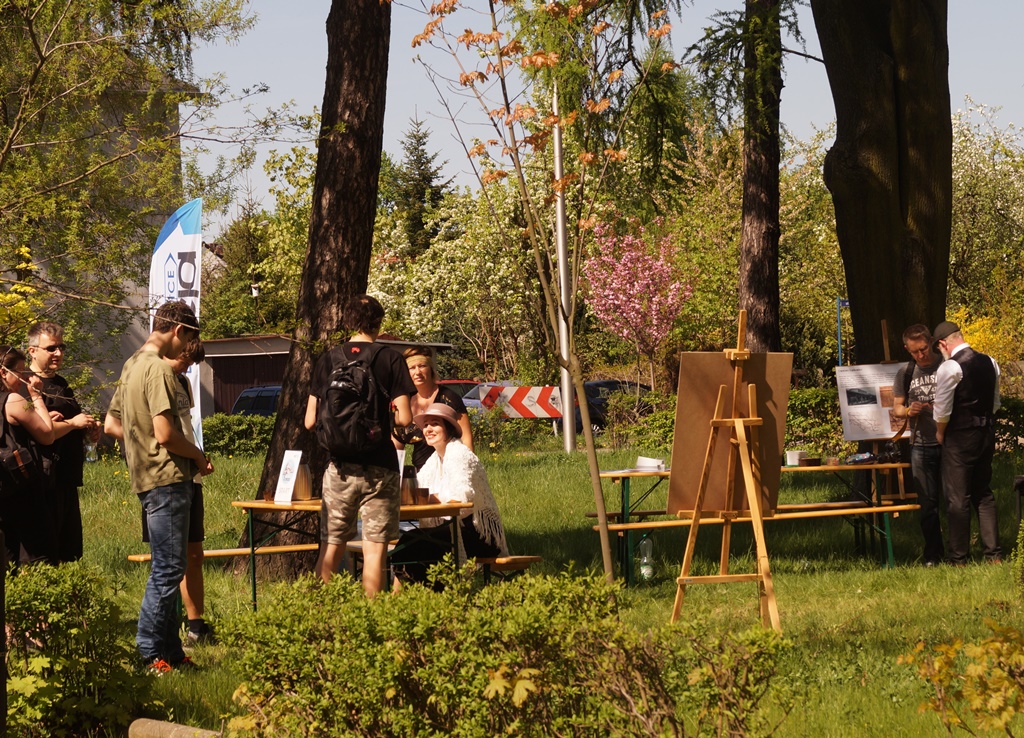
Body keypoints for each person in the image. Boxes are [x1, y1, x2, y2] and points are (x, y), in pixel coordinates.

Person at [103, 301, 213, 673]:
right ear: (178, 330)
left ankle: (172, 653)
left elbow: (116, 424)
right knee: (167, 570)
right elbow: (166, 434)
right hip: (167, 479)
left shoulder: (131, 364)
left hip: (148, 479)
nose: (186, 348)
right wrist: (197, 455)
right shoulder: (159, 369)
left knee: (172, 565)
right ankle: (150, 653)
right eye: (188, 339)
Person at [304, 294, 413, 595]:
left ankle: (321, 613)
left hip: (338, 468)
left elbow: (310, 421)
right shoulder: (390, 358)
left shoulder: (328, 359)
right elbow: (405, 418)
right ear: (378, 322)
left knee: (331, 547)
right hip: (380, 467)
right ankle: (372, 617)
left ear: (348, 321)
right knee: (374, 551)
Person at [394, 402, 507, 584]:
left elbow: (462, 497)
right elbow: (417, 489)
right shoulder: (434, 460)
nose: (428, 429)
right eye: (426, 425)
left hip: (479, 535)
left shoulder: (459, 454)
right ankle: (426, 594)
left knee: (414, 542)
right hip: (454, 529)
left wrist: (428, 498)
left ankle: (404, 595)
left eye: (435, 424)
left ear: (449, 428)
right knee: (413, 542)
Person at [22, 322, 99, 563]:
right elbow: (41, 431)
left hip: (66, 476)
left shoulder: (62, 384)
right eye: (51, 348)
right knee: (46, 552)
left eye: (61, 347)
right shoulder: (27, 386)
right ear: (33, 351)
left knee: (70, 550)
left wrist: (88, 431)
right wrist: (73, 424)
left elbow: (70, 422)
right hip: (43, 479)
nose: (58, 353)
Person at [932, 320, 1001, 565]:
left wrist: (940, 433)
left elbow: (942, 410)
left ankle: (959, 558)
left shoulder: (950, 367)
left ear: (943, 343)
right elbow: (995, 403)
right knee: (983, 493)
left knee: (957, 498)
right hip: (986, 435)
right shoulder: (990, 361)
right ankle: (993, 554)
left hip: (960, 438)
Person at [891, 324, 945, 566]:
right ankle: (933, 554)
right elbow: (896, 408)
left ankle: (959, 553)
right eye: (915, 352)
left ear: (931, 341)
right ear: (907, 349)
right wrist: (908, 410)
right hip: (920, 445)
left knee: (955, 500)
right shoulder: (906, 372)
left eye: (923, 349)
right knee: (928, 503)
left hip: (949, 442)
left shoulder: (946, 365)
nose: (921, 355)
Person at [0, 346, 56, 566]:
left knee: (7, 555)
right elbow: (47, 435)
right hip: (21, 489)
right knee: (35, 553)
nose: (24, 378)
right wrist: (36, 396)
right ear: (3, 372)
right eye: (20, 372)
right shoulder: (12, 400)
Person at [393, 347, 473, 471]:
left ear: (430, 369)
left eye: (422, 366)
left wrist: (467, 470)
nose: (417, 372)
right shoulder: (403, 402)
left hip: (450, 470)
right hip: (421, 474)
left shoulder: (449, 397)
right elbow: (396, 446)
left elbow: (466, 439)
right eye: (412, 368)